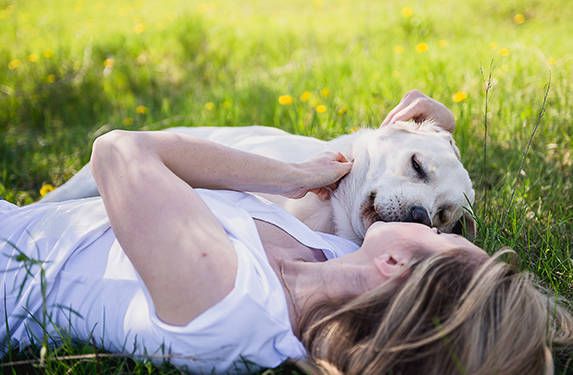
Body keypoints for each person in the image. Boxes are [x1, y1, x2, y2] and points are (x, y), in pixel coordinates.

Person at [0, 92, 571, 375]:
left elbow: (120, 151)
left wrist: (294, 177)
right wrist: (431, 129)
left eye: (446, 235)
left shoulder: (230, 303)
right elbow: (412, 167)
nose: (425, 220)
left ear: (397, 266)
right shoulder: (335, 256)